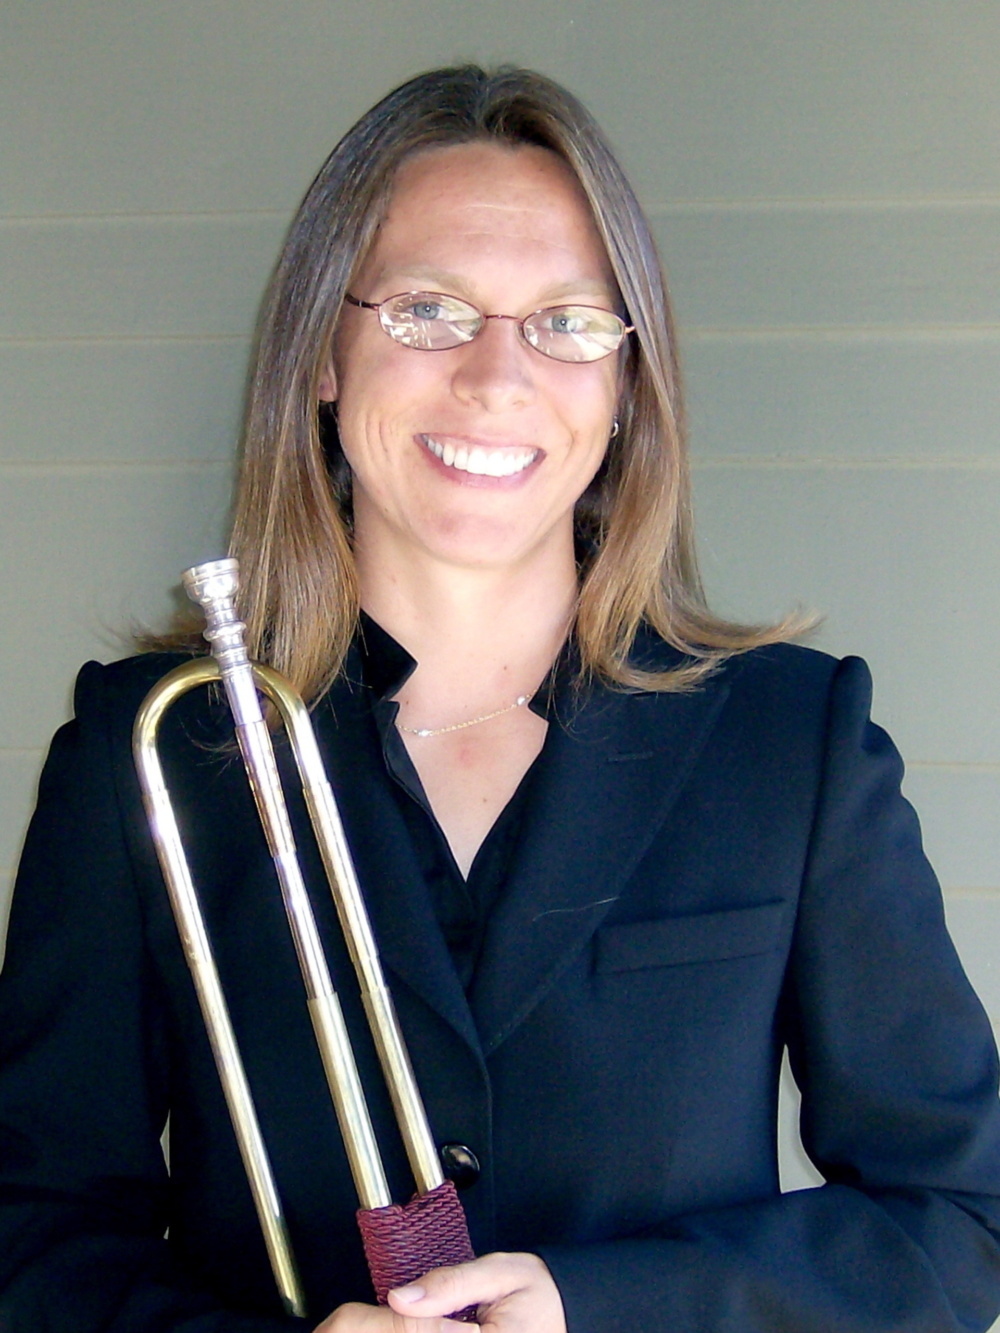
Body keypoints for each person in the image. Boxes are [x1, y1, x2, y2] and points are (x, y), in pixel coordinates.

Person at [1, 64, 999, 1333]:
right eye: (428, 309)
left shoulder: (791, 744)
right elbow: (29, 1227)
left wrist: (598, 1307)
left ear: (627, 382)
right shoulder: (150, 745)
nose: (495, 374)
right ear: (321, 350)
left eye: (569, 321)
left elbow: (959, 1217)